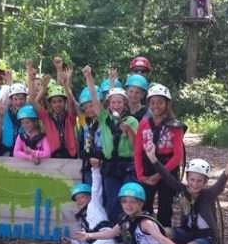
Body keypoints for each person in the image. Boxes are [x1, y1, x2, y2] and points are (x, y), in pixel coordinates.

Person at [145, 143, 228, 244]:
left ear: (205, 182)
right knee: (163, 232)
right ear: (187, 179)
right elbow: (167, 177)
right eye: (192, 180)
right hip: (188, 232)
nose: (195, 184)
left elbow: (219, 186)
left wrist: (227, 171)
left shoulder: (208, 195)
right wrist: (153, 158)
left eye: (199, 181)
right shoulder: (183, 191)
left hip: (207, 237)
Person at [82, 66, 139, 221]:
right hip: (109, 166)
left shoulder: (132, 121)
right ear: (109, 105)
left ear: (125, 105)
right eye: (113, 102)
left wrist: (128, 131)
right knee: (113, 200)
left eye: (119, 102)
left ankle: (130, 229)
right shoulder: (104, 119)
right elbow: (94, 97)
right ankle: (114, 232)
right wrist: (89, 77)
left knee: (129, 199)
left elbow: (137, 146)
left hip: (127, 166)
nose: (116, 105)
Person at [134, 83, 186, 228]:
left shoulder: (175, 126)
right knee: (145, 205)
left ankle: (164, 239)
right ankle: (146, 235)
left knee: (165, 206)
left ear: (167, 104)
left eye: (160, 102)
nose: (156, 106)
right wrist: (141, 176)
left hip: (167, 168)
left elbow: (177, 157)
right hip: (147, 167)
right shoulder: (144, 124)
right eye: (153, 102)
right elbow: (138, 151)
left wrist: (159, 175)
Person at [66, 158, 116, 244]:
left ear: (89, 197)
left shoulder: (94, 205)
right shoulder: (83, 217)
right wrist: (73, 243)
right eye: (77, 199)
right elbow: (87, 239)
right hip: (96, 243)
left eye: (82, 197)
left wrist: (95, 169)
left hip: (106, 238)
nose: (79, 201)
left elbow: (96, 187)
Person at [29, 58, 78, 159]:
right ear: (50, 104)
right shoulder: (46, 116)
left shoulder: (69, 117)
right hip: (52, 155)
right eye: (54, 102)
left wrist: (65, 84)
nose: (57, 104)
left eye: (60, 101)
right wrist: (32, 79)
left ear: (64, 102)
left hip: (70, 155)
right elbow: (33, 101)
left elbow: (71, 102)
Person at [76, 85, 104, 185]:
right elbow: (76, 107)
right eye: (86, 107)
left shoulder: (104, 120)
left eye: (91, 105)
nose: (88, 110)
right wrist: (66, 87)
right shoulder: (85, 121)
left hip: (102, 162)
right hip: (88, 164)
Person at [0, 83, 29, 156]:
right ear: (11, 100)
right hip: (6, 148)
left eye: (21, 99)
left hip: (24, 148)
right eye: (15, 99)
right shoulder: (5, 111)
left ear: (25, 99)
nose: (19, 102)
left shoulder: (29, 110)